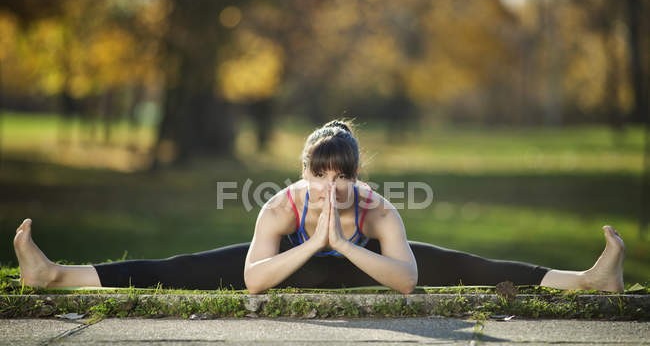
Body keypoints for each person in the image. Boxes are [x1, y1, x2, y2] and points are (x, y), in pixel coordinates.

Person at [13, 120, 626, 294]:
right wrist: (316, 244)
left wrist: (345, 247)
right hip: (292, 259)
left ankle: (588, 281)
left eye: (343, 173)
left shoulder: (379, 209)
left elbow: (408, 282)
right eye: (319, 171)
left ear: (356, 175)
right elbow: (254, 282)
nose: (331, 183)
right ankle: (54, 274)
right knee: (179, 268)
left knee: (460, 261)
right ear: (302, 172)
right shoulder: (279, 207)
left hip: (358, 260)